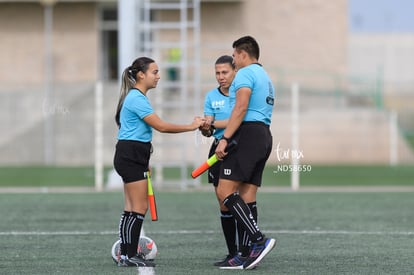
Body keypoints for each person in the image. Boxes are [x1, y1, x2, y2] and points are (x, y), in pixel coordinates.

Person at [113, 57, 204, 267]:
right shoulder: (136, 98)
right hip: (131, 155)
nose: (159, 76)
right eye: (154, 72)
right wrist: (191, 126)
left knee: (130, 207)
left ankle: (126, 255)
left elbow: (139, 133)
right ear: (141, 75)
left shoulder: (137, 97)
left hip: (133, 155)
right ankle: (128, 255)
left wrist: (144, 160)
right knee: (138, 207)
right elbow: (161, 126)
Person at [214, 36, 276, 270]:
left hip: (247, 135)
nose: (233, 59)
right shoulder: (266, 77)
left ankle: (258, 240)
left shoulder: (245, 74)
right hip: (263, 135)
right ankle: (246, 253)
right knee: (247, 196)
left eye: (234, 55)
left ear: (242, 54)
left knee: (224, 190)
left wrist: (225, 139)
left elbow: (240, 107)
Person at [199, 55, 249, 266]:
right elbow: (208, 132)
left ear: (234, 71)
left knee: (240, 198)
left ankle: (247, 251)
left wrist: (213, 122)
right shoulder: (211, 96)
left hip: (239, 147)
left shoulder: (242, 93)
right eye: (217, 73)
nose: (220, 77)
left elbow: (238, 118)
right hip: (217, 149)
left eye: (224, 72)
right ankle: (232, 253)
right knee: (223, 203)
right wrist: (205, 127)